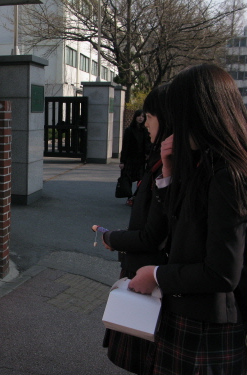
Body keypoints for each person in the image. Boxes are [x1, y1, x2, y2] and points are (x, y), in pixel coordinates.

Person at [129, 64, 247, 374]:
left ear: (200, 114)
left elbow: (222, 272)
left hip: (206, 324)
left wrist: (156, 275)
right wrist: (168, 173)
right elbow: (180, 223)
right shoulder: (207, 162)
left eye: (178, 115)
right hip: (191, 313)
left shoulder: (227, 174)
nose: (173, 127)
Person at [98, 84, 170, 374]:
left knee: (148, 359)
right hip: (148, 274)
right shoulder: (160, 160)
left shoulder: (171, 167)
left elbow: (154, 232)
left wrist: (112, 237)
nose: (146, 121)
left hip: (152, 278)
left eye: (149, 116)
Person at [120, 110, 151, 206]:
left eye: (142, 116)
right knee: (127, 178)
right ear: (135, 117)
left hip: (141, 158)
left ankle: (136, 196)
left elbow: (147, 144)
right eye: (138, 116)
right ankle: (129, 196)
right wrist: (122, 161)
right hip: (130, 157)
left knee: (141, 178)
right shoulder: (129, 130)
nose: (140, 118)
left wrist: (148, 154)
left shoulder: (145, 130)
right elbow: (125, 146)